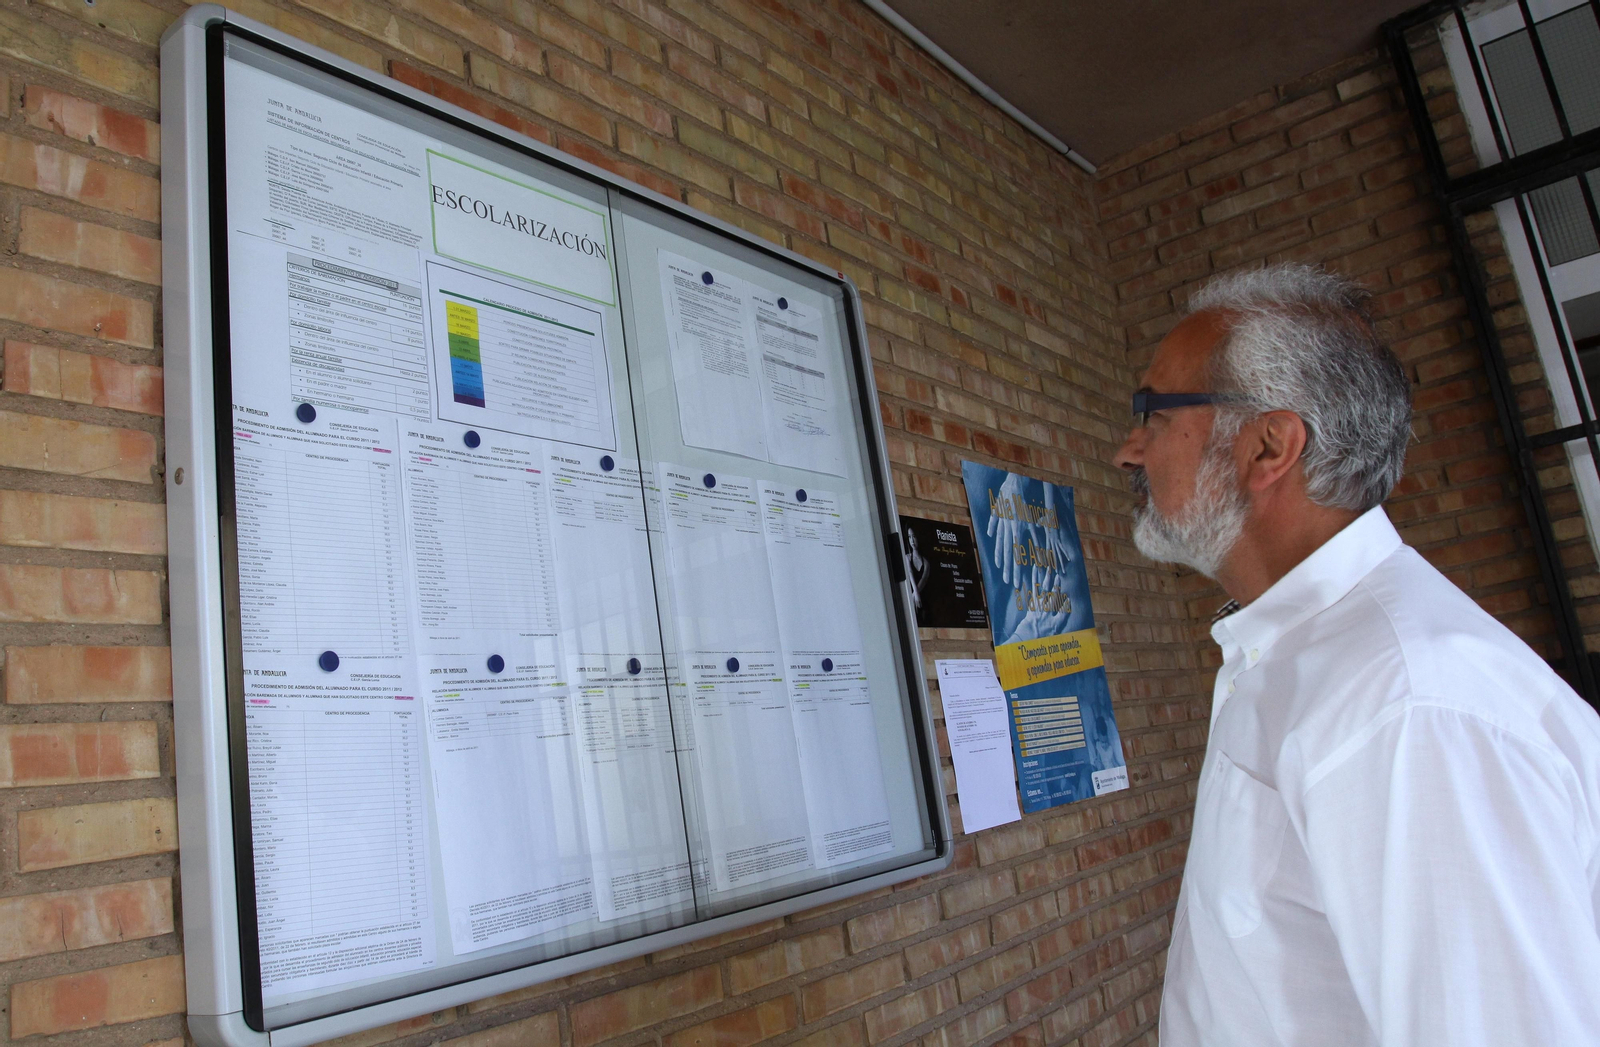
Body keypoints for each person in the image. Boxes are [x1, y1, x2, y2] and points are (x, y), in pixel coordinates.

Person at [1111, 264, 1600, 1046]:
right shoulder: (1315, 662)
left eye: (1153, 412)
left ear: (1269, 445)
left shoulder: (1405, 705)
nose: (1128, 451)